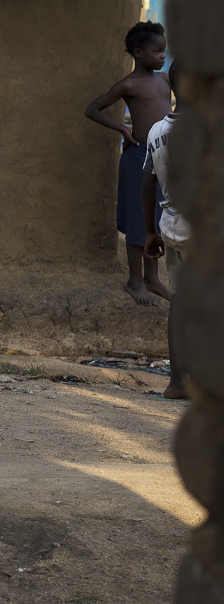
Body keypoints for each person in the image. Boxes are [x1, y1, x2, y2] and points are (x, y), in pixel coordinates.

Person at [84, 21, 173, 305]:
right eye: (156, 51)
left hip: (162, 159)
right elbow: (93, 109)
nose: (162, 56)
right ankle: (135, 280)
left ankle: (152, 278)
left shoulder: (165, 80)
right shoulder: (129, 84)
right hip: (138, 158)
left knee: (155, 219)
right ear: (138, 52)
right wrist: (123, 129)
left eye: (163, 51)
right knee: (138, 219)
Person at [142, 61, 191, 400]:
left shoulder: (157, 131)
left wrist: (149, 231)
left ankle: (177, 382)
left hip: (172, 226)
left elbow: (148, 182)